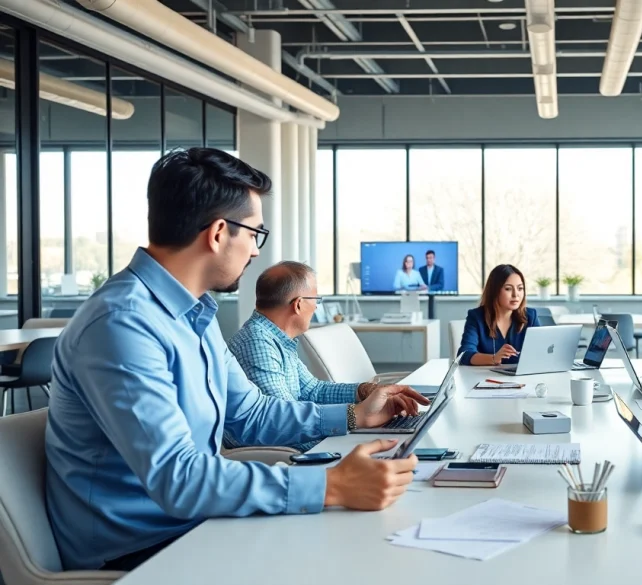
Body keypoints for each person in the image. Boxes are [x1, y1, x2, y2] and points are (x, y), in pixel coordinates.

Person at [45, 148, 423, 572]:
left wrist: (354, 416)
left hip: (195, 524)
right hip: (142, 553)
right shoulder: (121, 325)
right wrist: (329, 485)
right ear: (219, 232)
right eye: (255, 234)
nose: (257, 251)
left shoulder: (196, 313)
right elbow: (178, 478)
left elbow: (251, 414)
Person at [227, 261, 427, 452]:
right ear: (298, 305)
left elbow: (313, 390)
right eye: (316, 300)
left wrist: (364, 391)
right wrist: (354, 417)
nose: (316, 307)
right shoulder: (258, 342)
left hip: (308, 442)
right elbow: (282, 421)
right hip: (294, 454)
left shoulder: (274, 337)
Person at [459, 264, 539, 366]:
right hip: (485, 378)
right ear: (495, 291)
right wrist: (493, 358)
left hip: (522, 379)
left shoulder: (530, 316)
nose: (516, 294)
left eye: (520, 288)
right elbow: (464, 355)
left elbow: (541, 351)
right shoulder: (476, 317)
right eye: (508, 289)